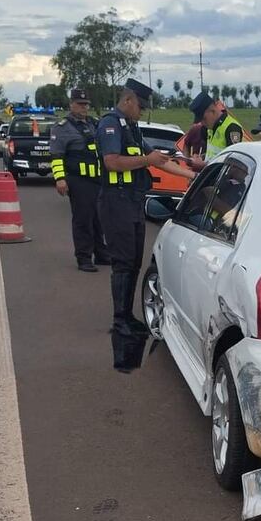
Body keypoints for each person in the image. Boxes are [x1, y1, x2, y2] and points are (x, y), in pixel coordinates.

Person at [96, 79, 191, 371]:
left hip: (133, 202)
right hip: (116, 201)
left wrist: (192, 177)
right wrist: (145, 159)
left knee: (134, 262)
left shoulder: (132, 128)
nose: (142, 111)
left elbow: (158, 161)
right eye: (140, 106)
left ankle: (126, 314)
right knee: (123, 262)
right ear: (128, 100)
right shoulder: (110, 125)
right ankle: (120, 318)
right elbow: (112, 162)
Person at [50, 88, 109, 273]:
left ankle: (101, 253)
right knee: (83, 219)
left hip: (98, 179)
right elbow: (56, 156)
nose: (83, 108)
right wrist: (60, 179)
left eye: (86, 105)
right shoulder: (62, 128)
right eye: (80, 104)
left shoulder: (94, 124)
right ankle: (83, 257)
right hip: (78, 180)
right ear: (71, 105)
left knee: (99, 219)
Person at [187, 91, 244, 166]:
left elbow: (233, 163)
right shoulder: (209, 127)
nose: (202, 123)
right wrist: (201, 157)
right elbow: (213, 154)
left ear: (212, 111)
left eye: (204, 119)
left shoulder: (232, 128)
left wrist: (204, 165)